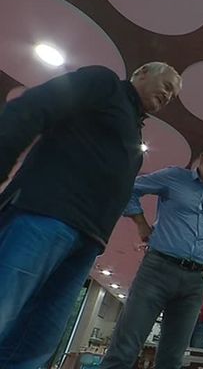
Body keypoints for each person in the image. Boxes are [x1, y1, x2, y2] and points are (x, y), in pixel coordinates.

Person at [0, 62, 182, 368]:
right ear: (142, 73)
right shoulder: (104, 83)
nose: (169, 95)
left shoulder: (133, 129)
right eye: (166, 85)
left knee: (37, 342)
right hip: (44, 214)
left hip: (87, 242)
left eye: (173, 95)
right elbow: (35, 107)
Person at [99, 137, 203, 369]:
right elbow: (130, 189)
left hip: (194, 282)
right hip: (157, 272)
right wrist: (141, 224)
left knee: (172, 360)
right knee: (125, 349)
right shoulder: (174, 177)